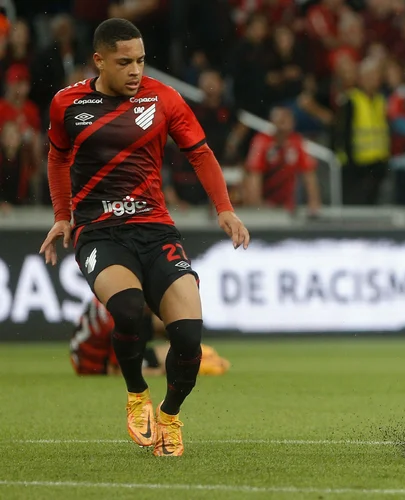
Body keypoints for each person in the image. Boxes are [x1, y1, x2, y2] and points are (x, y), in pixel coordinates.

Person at [39, 18, 251, 457]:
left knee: (189, 340)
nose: (136, 70)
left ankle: (170, 416)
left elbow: (200, 153)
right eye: (124, 62)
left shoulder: (165, 98)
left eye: (140, 60)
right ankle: (137, 395)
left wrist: (224, 209)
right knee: (130, 311)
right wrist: (63, 217)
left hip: (155, 229)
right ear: (99, 60)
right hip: (100, 231)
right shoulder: (67, 104)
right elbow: (57, 158)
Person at [70, 298, 231, 377]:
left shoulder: (118, 293)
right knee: (178, 353)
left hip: (97, 345)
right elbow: (116, 370)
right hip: (94, 364)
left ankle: (188, 351)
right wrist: (161, 371)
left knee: (172, 328)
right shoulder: (118, 319)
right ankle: (187, 357)